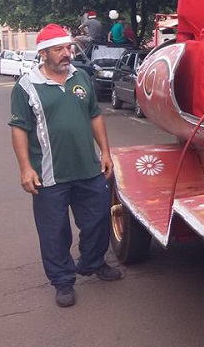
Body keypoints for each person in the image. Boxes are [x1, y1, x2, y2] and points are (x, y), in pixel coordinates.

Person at [9, 24, 122, 308]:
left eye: (68, 48)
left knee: (98, 219)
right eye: (58, 49)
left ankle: (92, 262)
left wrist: (105, 152)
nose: (66, 54)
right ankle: (62, 281)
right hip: (49, 175)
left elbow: (95, 116)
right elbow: (19, 129)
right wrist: (25, 168)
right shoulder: (26, 86)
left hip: (88, 168)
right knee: (54, 231)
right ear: (43, 53)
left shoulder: (81, 77)